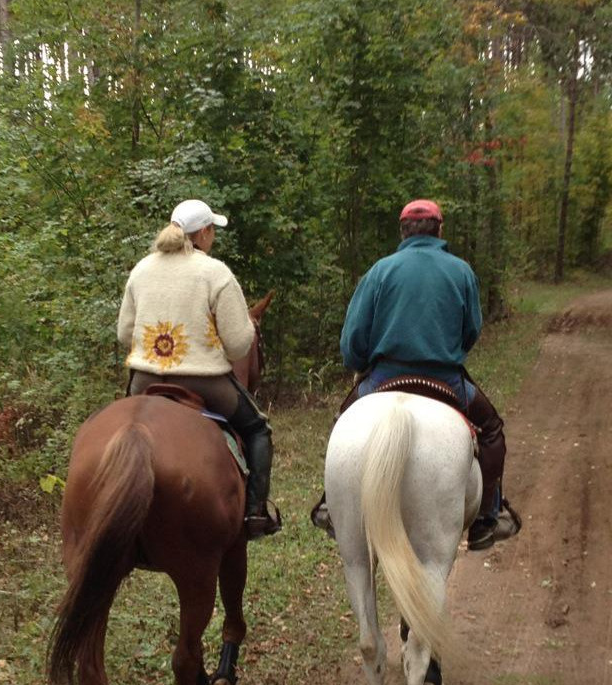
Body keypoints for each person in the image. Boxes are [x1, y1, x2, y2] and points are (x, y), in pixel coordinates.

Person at [312, 198, 520, 550]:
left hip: (383, 377)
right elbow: (471, 331)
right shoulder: (462, 271)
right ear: (440, 229)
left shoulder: (379, 271)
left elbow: (352, 342)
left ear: (402, 231)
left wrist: (362, 361)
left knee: (342, 424)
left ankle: (332, 504)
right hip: (446, 379)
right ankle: (488, 516)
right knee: (492, 431)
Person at [117, 198, 281, 540]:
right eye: (213, 232)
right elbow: (238, 345)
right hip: (203, 382)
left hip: (143, 381)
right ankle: (254, 513)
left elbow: (123, 335)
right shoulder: (215, 272)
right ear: (204, 233)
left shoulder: (141, 269)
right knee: (258, 430)